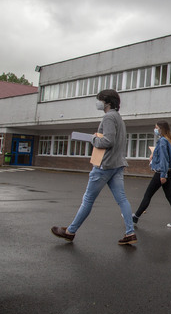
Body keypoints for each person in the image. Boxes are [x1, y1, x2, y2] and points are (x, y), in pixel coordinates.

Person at [51, 89, 137, 245]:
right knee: (122, 200)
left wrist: (93, 139)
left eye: (100, 100)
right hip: (117, 164)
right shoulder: (119, 118)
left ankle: (70, 231)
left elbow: (108, 141)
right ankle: (130, 233)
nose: (98, 102)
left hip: (104, 165)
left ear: (108, 102)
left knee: (88, 200)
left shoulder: (109, 117)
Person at [132, 120, 171, 228]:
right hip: (170, 172)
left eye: (156, 127)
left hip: (162, 172)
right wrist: (154, 157)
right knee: (170, 196)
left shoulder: (163, 141)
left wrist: (163, 175)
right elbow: (168, 158)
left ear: (161, 129)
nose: (155, 130)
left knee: (148, 195)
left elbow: (164, 159)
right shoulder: (169, 140)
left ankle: (135, 217)